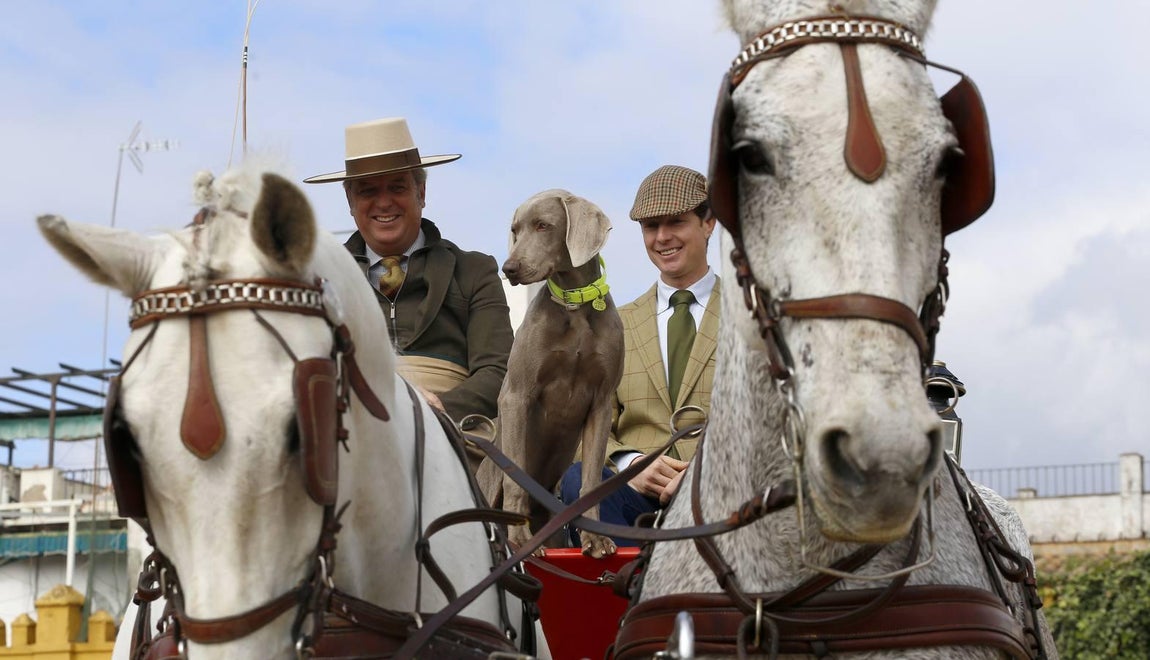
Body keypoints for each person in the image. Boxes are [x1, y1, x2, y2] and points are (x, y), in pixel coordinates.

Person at [304, 117, 513, 428]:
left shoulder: (474, 270)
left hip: (457, 430)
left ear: (421, 192)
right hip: (351, 427)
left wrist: (440, 409)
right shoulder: (320, 278)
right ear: (350, 201)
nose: (384, 202)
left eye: (397, 187)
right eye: (368, 191)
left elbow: (499, 370)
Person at [559, 165, 720, 546]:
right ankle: (620, 582)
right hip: (635, 502)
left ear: (709, 223)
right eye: (651, 226)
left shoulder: (753, 316)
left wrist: (708, 471)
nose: (662, 237)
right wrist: (630, 464)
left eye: (676, 222)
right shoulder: (611, 325)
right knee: (579, 479)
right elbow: (581, 428)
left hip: (726, 492)